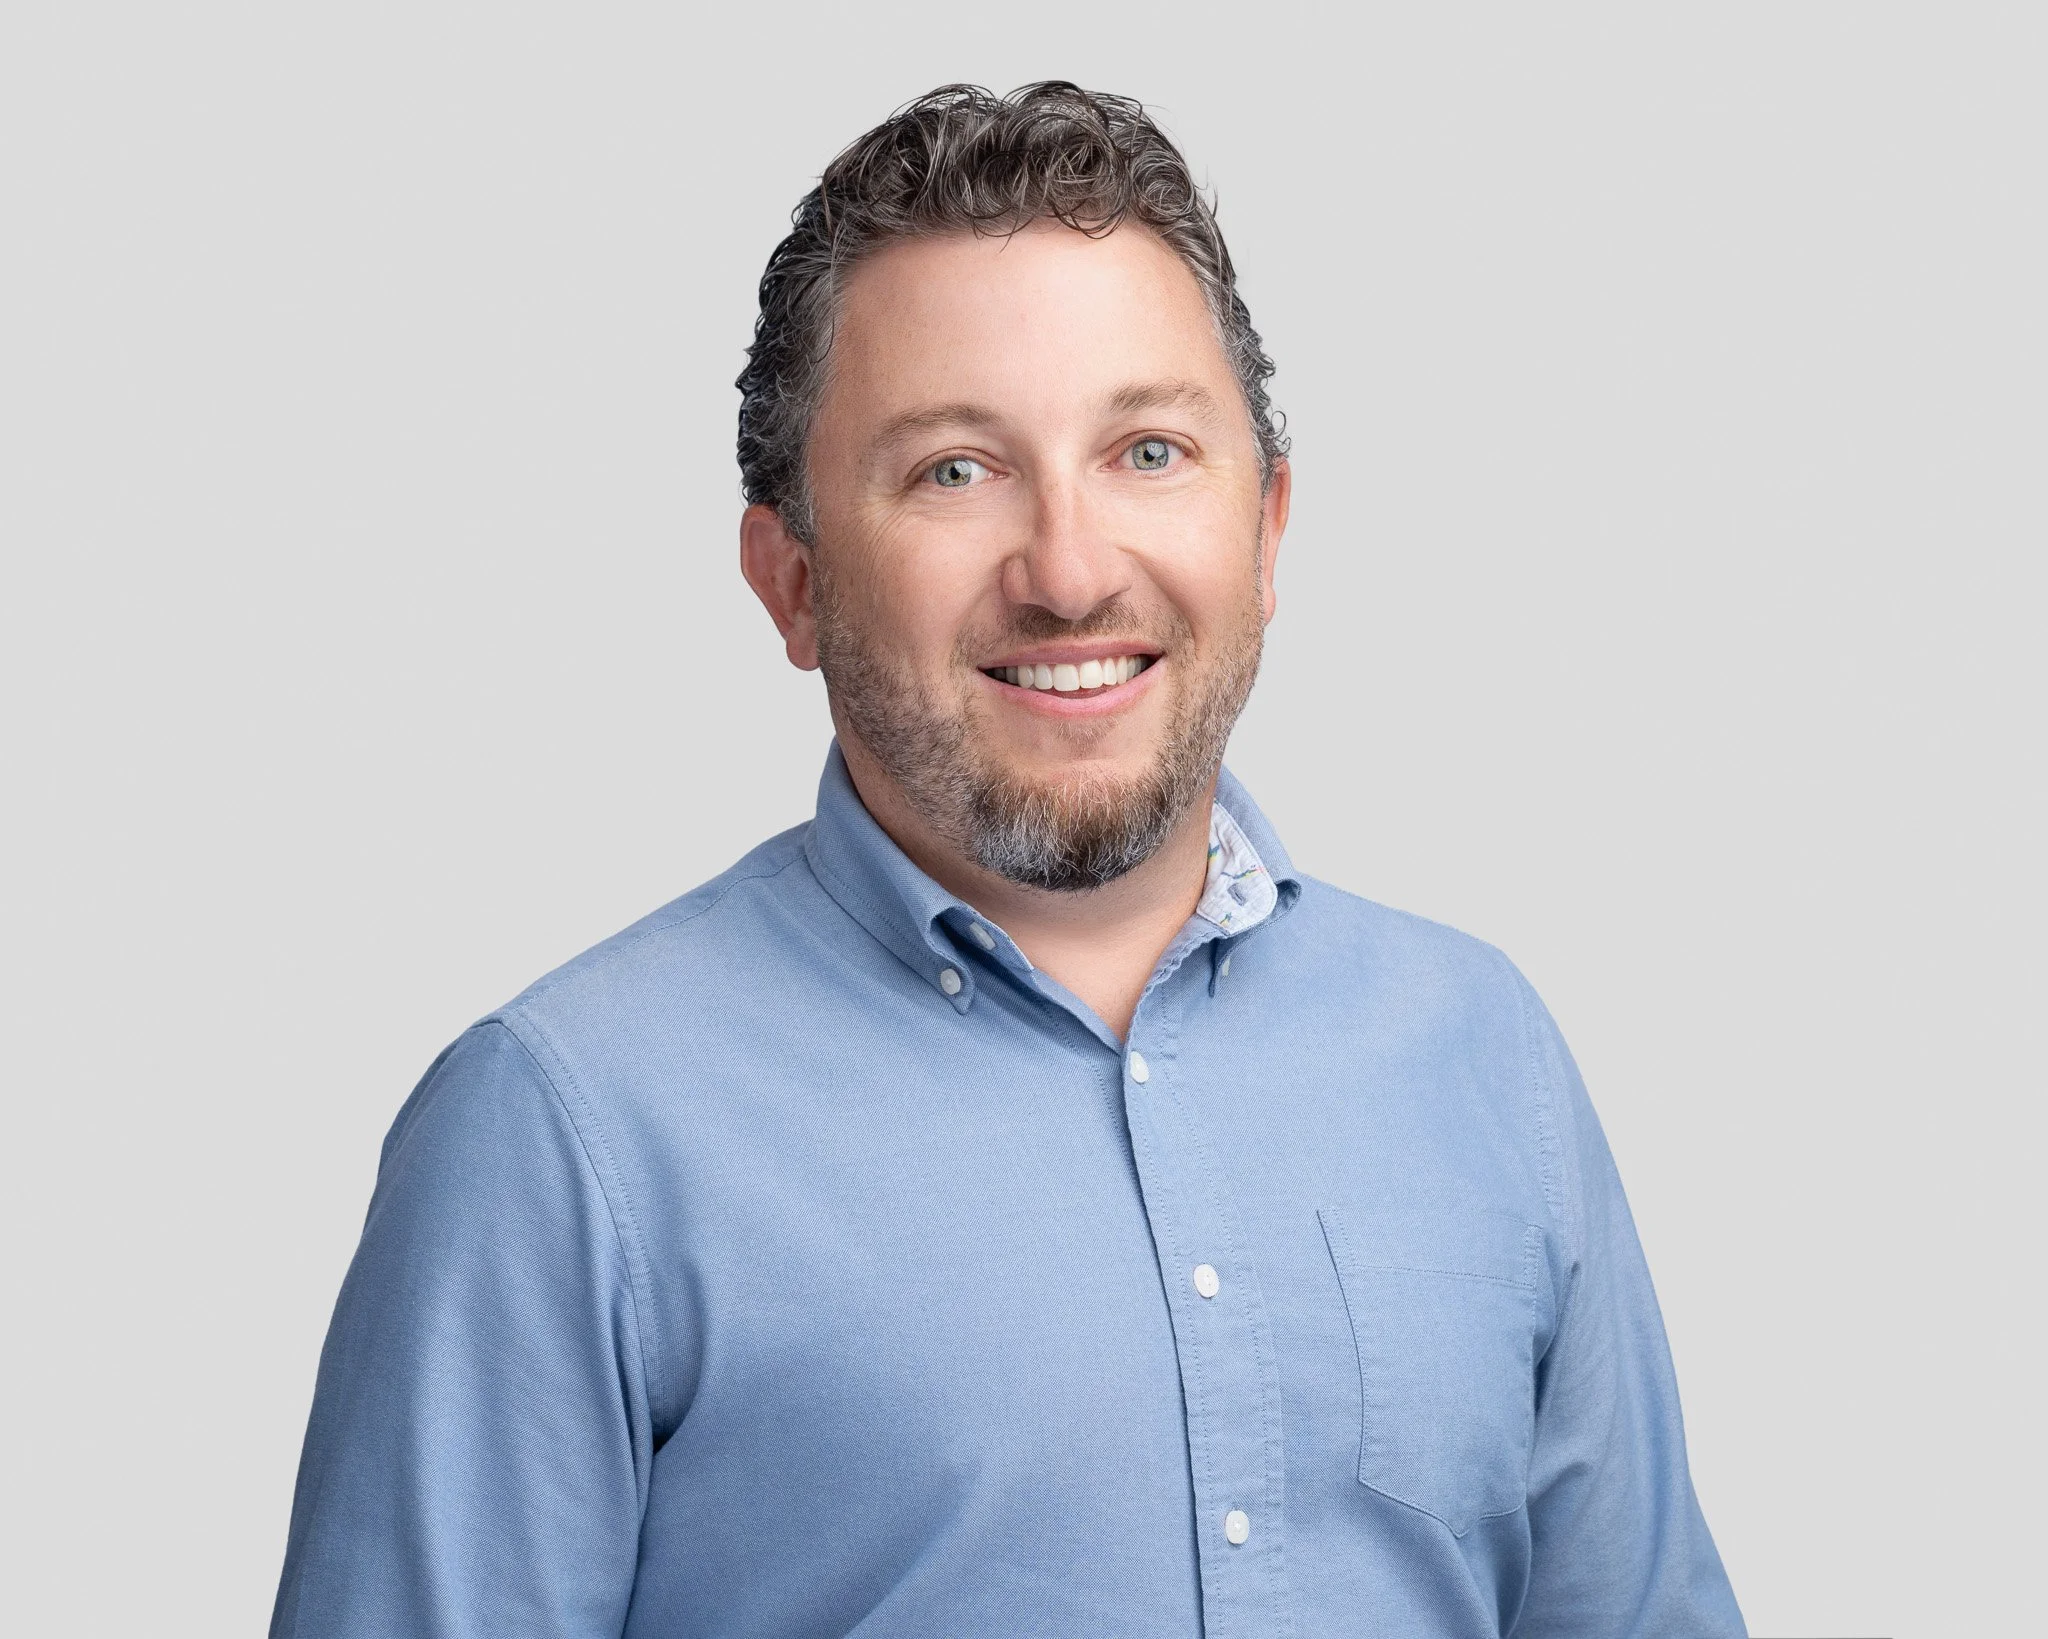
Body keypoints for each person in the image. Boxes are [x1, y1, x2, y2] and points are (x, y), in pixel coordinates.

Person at [271, 82, 1745, 1639]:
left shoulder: (1481, 1053)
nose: (1069, 567)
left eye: (1150, 449)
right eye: (953, 471)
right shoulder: (562, 1134)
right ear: (791, 580)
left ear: (1268, 531)